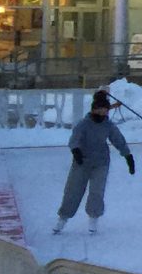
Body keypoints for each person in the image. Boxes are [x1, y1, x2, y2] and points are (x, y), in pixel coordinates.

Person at [55, 89, 134, 235]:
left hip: (101, 162)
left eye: (105, 112)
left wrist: (128, 156)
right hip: (82, 162)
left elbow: (118, 140)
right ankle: (63, 218)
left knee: (97, 191)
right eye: (101, 111)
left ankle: (93, 218)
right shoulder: (84, 124)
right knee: (73, 190)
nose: (103, 114)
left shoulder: (108, 125)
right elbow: (74, 139)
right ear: (94, 109)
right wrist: (76, 151)